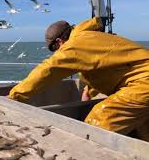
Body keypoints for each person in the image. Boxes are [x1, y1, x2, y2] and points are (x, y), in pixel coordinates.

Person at [8, 17, 149, 141]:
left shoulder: (75, 44)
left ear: (59, 41)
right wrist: (87, 93)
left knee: (98, 124)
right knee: (143, 133)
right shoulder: (91, 37)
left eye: (54, 49)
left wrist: (13, 96)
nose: (57, 53)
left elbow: (48, 69)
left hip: (142, 85)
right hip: (141, 83)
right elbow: (104, 68)